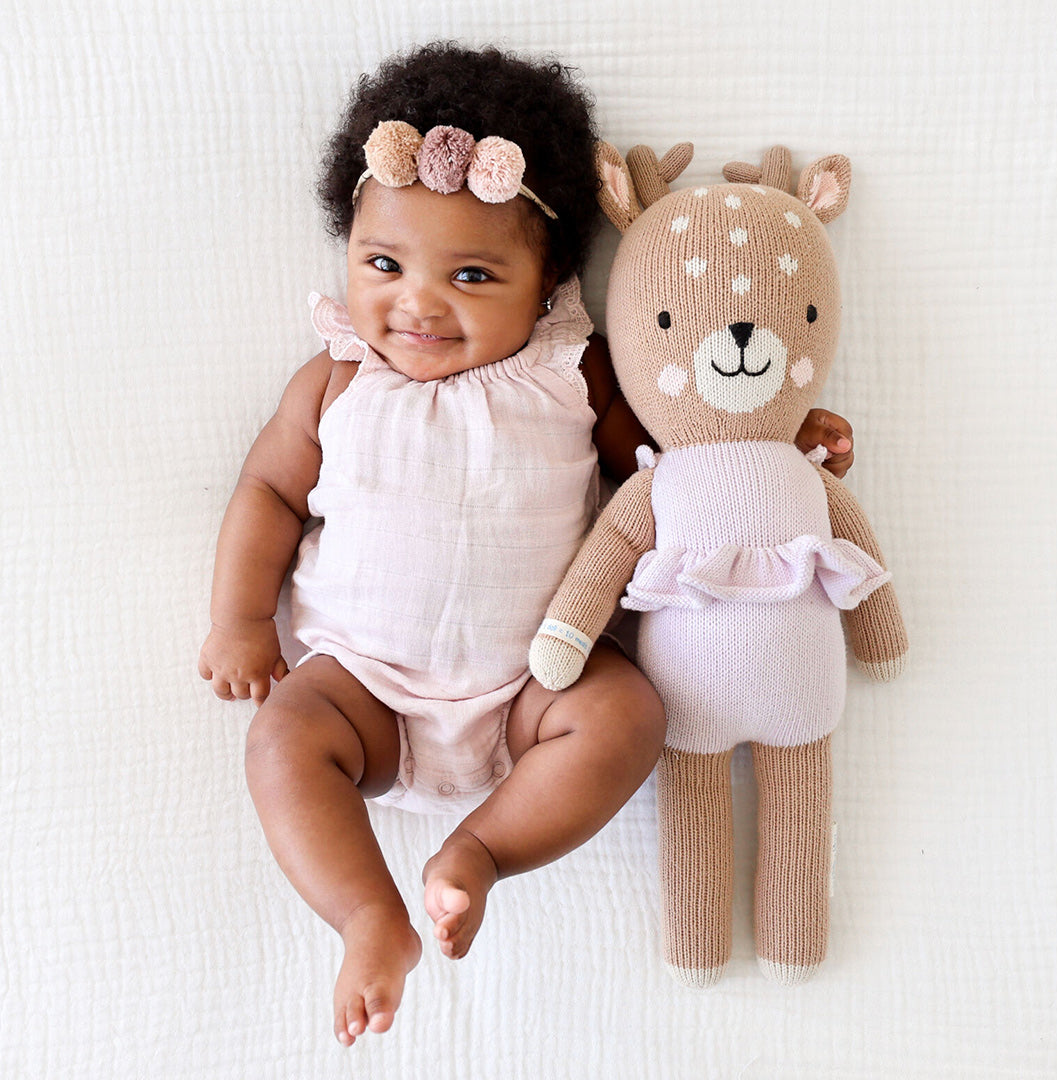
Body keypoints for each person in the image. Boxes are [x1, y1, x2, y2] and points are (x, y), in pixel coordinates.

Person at [198, 41, 857, 1045]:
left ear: (546, 280)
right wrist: (241, 622)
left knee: (630, 712)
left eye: (471, 274)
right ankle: (369, 915)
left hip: (530, 693)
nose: (416, 303)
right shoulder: (335, 384)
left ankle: (484, 854)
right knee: (283, 740)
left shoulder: (571, 374)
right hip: (361, 688)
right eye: (384, 263)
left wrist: (770, 437)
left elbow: (675, 453)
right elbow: (268, 493)